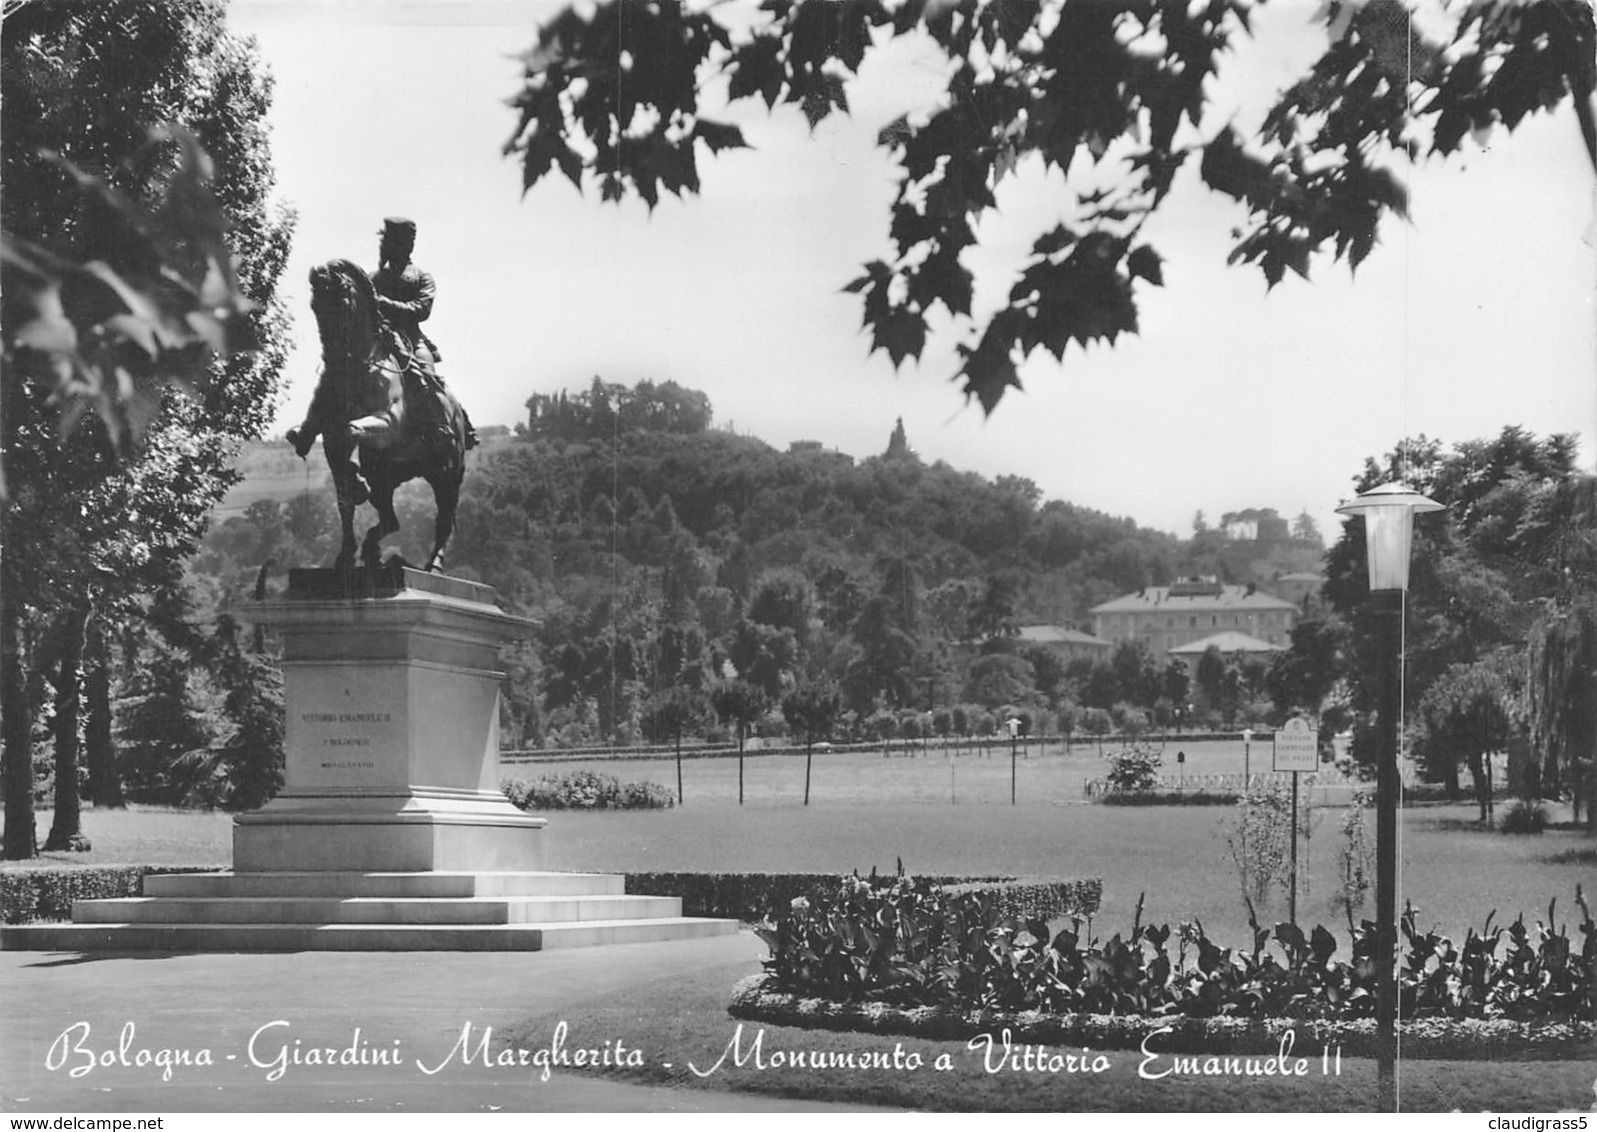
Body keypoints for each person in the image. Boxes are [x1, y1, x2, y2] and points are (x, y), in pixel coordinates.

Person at [287, 217, 477, 468]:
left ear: (407, 245)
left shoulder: (421, 277)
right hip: (378, 339)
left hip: (412, 339)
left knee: (424, 374)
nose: (386, 246)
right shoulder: (372, 278)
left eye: (392, 241)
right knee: (333, 374)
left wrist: (384, 304)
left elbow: (421, 310)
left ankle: (438, 427)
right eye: (385, 240)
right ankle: (310, 427)